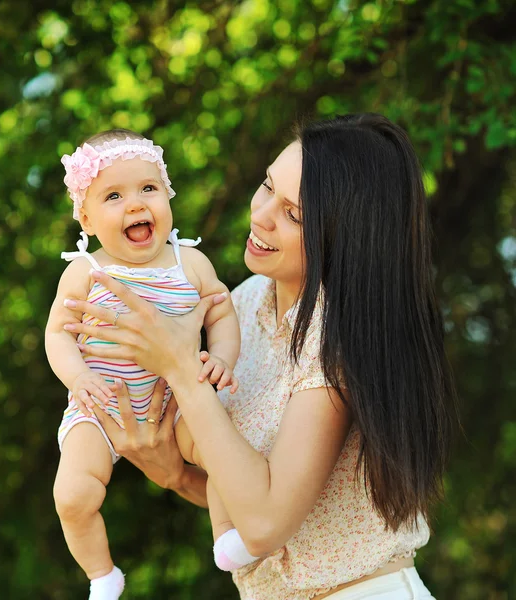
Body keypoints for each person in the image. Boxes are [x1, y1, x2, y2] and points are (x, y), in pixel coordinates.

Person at [62, 114, 458, 599]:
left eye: (293, 214)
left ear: (345, 233)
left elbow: (266, 523)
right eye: (267, 185)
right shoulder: (246, 303)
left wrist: (180, 368)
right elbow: (242, 499)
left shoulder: (337, 335)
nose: (262, 214)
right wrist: (173, 473)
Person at [45, 128, 250, 600]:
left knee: (217, 454)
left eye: (148, 189)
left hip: (177, 401)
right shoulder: (84, 272)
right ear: (87, 218)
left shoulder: (190, 263)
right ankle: (102, 575)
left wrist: (221, 357)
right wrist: (79, 377)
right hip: (98, 406)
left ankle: (226, 534)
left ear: (167, 197)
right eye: (114, 195)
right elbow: (58, 333)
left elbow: (221, 312)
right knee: (72, 496)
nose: (136, 205)